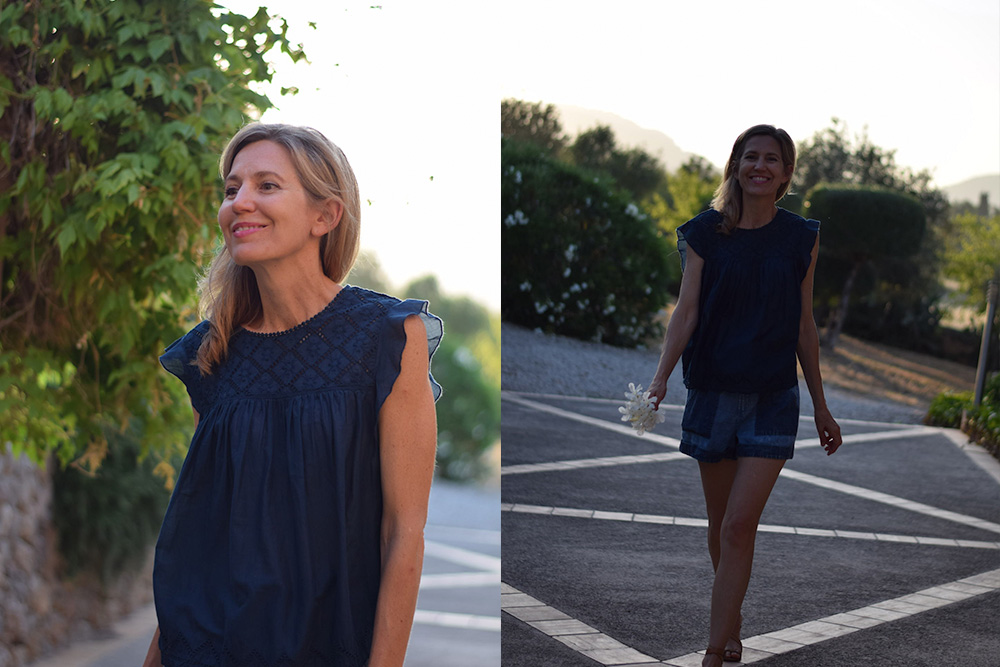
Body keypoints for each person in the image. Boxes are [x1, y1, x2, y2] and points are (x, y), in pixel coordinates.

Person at [142, 123, 443, 667]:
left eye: (266, 185)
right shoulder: (211, 355)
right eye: (232, 189)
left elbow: (403, 533)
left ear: (324, 217)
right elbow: (200, 542)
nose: (240, 202)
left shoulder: (389, 337)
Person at [647, 124, 842, 666]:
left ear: (785, 173)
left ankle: (713, 651)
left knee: (739, 524)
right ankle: (730, 622)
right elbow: (685, 311)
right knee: (720, 526)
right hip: (712, 390)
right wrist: (661, 377)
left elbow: (805, 323)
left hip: (773, 396)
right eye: (751, 157)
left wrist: (821, 406)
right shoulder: (706, 233)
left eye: (772, 159)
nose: (761, 166)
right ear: (736, 165)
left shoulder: (801, 236)